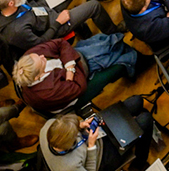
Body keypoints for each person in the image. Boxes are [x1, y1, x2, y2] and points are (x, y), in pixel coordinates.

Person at [38, 100, 166, 171]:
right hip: (100, 158)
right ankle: (139, 163)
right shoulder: (69, 168)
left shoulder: (48, 126)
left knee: (136, 101)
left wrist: (80, 125)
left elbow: (69, 126)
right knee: (145, 120)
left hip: (92, 138)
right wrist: (91, 146)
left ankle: (136, 132)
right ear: (70, 143)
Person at [11, 35, 139, 114]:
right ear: (37, 77)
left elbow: (59, 43)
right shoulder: (47, 92)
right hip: (78, 83)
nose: (43, 56)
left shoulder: (30, 58)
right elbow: (79, 86)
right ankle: (137, 60)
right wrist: (71, 66)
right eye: (42, 61)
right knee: (114, 52)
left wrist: (69, 67)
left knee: (107, 42)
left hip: (71, 66)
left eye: (39, 56)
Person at [0, 0, 109, 60]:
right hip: (53, 26)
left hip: (42, 8)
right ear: (11, 3)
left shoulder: (2, 6)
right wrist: (58, 23)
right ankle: (113, 32)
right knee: (94, 6)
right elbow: (41, 43)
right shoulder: (16, 31)